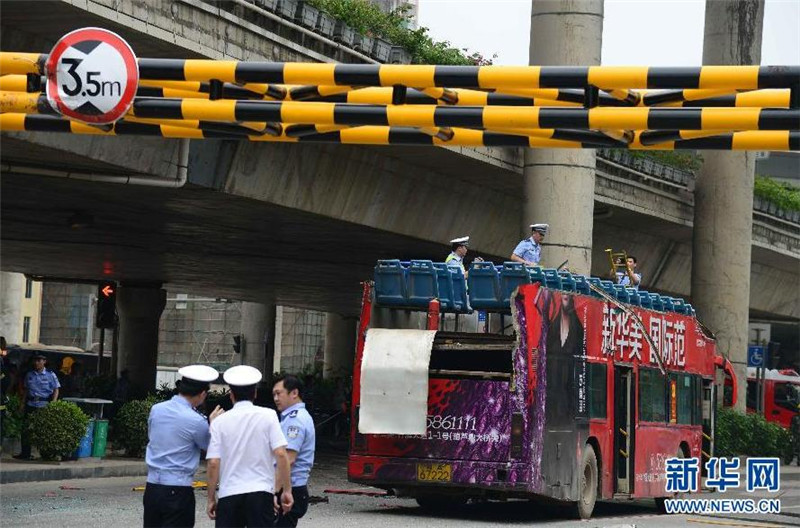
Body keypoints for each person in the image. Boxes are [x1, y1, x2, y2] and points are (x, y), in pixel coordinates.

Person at [206, 365, 293, 527]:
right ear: (255, 393)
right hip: (260, 493)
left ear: (231, 395)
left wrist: (211, 498)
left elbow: (213, 463)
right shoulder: (269, 415)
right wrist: (286, 490)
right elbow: (281, 454)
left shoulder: (219, 422)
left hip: (229, 495)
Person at [144, 364, 223, 528]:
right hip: (178, 489)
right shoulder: (196, 420)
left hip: (152, 487)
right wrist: (213, 425)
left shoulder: (156, 410)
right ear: (202, 394)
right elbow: (210, 447)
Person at [273, 375, 316, 527]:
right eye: (274, 394)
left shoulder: (295, 420)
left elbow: (287, 460)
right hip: (291, 486)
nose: (276, 398)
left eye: (279, 393)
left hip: (288, 487)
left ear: (294, 393)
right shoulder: (294, 417)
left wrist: (274, 490)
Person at [14, 353, 60, 460]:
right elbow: (26, 390)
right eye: (36, 360)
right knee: (26, 430)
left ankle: (45, 454)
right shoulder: (30, 375)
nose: (37, 362)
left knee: (43, 430)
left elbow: (56, 389)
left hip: (43, 405)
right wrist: (22, 403)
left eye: (39, 360)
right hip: (30, 404)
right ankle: (25, 453)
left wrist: (53, 402)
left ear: (44, 361)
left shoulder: (50, 375)